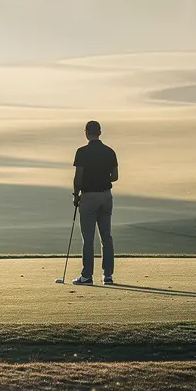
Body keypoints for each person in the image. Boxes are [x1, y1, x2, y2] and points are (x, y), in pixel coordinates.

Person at [72, 121, 118, 286]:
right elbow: (115, 176)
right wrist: (103, 177)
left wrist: (76, 195)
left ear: (86, 132)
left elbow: (78, 176)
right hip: (106, 196)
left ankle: (87, 276)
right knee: (106, 237)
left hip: (89, 197)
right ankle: (108, 276)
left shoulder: (82, 152)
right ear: (100, 132)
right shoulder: (109, 152)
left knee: (88, 238)